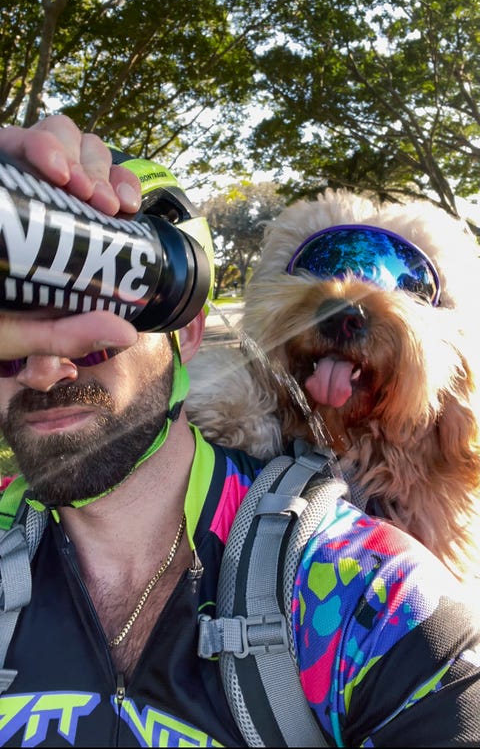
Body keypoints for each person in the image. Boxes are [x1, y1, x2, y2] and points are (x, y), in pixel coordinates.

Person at [0, 116, 478, 748]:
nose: (44, 367)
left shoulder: (370, 596)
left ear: (187, 329)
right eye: (15, 329)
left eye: (95, 325)